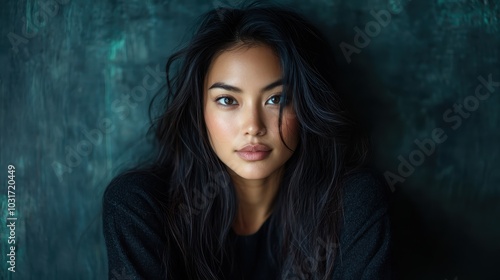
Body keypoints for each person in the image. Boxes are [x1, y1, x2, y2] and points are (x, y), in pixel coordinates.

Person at [102, 2, 392, 279]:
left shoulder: (351, 204)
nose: (252, 127)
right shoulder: (139, 206)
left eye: (276, 99)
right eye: (227, 100)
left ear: (306, 107)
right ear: (199, 110)